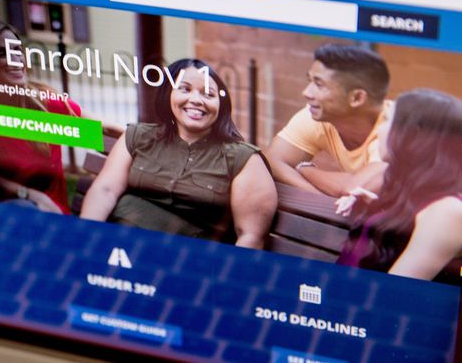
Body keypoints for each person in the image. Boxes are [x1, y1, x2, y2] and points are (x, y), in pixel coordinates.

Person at [80, 58, 276, 249]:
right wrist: (86, 239)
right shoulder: (138, 136)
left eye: (208, 94)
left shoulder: (243, 159)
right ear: (168, 94)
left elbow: (250, 237)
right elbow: (105, 191)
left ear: (221, 105)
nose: (197, 100)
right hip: (115, 243)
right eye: (185, 89)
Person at [0, 19, 122, 214]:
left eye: (17, 50)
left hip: (50, 218)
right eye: (1, 53)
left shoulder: (43, 104)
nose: (16, 59)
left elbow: (101, 130)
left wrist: (142, 138)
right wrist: (28, 194)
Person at [337, 89, 462, 281]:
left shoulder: (448, 211)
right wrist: (377, 209)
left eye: (386, 119)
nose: (378, 129)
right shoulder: (413, 194)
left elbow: (391, 295)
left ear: (415, 134)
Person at [264, 44, 391, 198]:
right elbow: (273, 160)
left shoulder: (394, 129)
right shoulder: (317, 116)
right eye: (309, 81)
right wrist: (319, 199)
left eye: (319, 84)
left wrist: (305, 169)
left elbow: (356, 188)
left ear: (357, 98)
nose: (306, 93)